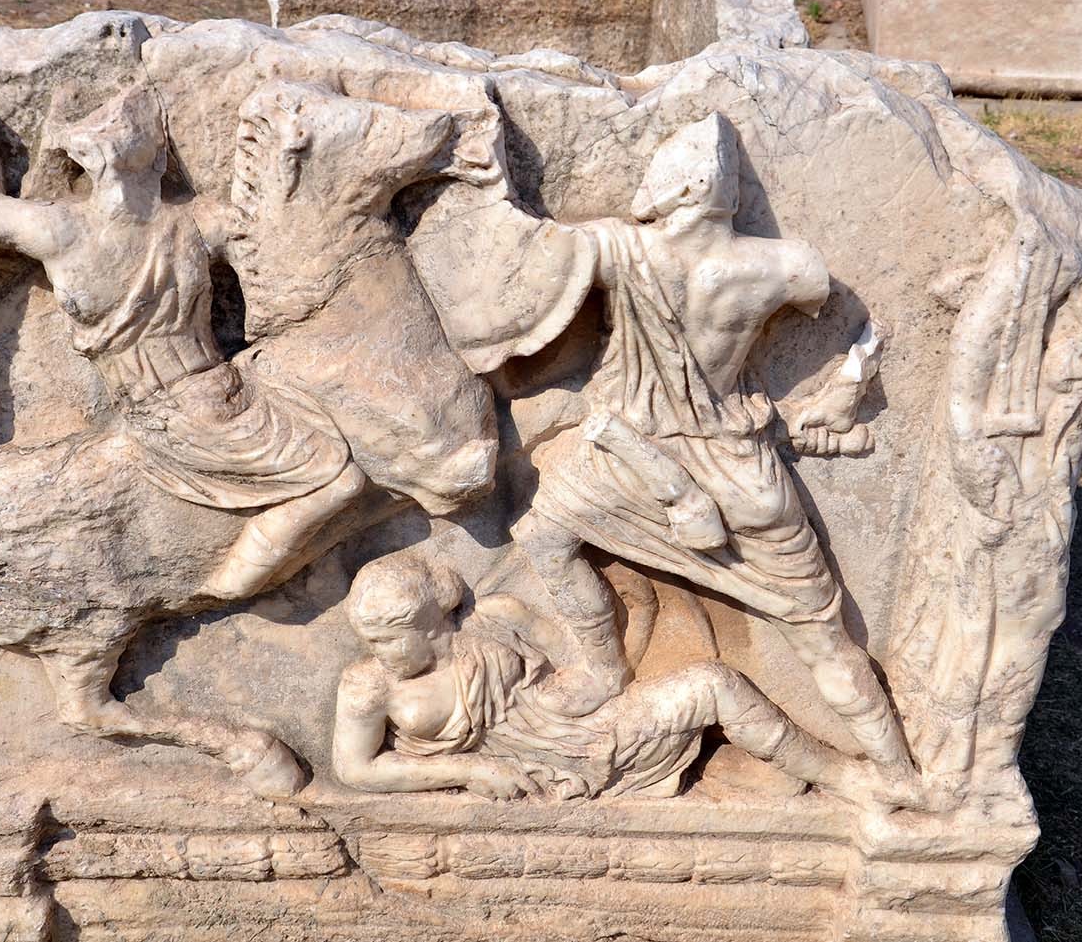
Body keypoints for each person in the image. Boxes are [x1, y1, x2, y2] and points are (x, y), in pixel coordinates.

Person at [511, 114, 915, 784]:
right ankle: (899, 772)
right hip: (737, 469)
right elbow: (863, 318)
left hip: (627, 455)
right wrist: (850, 378)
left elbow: (520, 283)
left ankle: (601, 666)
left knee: (545, 537)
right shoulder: (788, 264)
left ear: (678, 190)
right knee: (822, 635)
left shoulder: (616, 247)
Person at [0, 79, 364, 600]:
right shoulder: (178, 222)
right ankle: (236, 579)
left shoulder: (68, 228)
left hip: (184, 398)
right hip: (198, 412)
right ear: (157, 156)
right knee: (340, 480)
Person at [331, 554, 878, 801]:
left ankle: (847, 779)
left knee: (714, 683)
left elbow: (594, 666)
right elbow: (355, 770)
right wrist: (470, 770)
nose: (376, 651)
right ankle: (736, 770)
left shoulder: (495, 620)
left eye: (388, 637)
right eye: (368, 639)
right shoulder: (368, 686)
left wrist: (586, 683)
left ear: (434, 621)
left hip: (583, 722)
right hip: (525, 768)